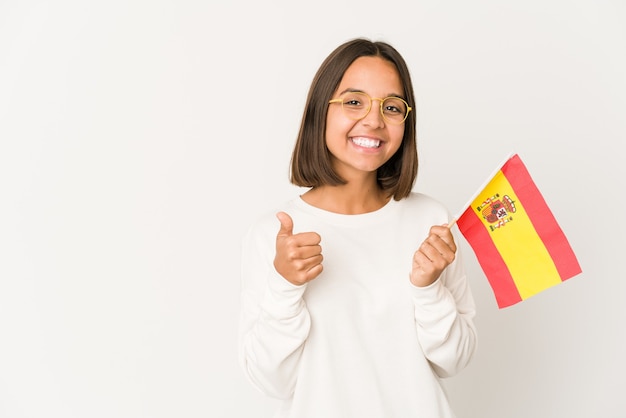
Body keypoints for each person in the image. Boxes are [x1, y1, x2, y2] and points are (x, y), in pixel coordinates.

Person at [238, 37, 477, 418]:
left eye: (392, 107)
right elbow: (272, 382)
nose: (374, 119)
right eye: (353, 101)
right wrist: (285, 287)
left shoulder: (431, 221)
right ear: (321, 111)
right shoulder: (275, 234)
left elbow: (455, 361)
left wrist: (429, 290)